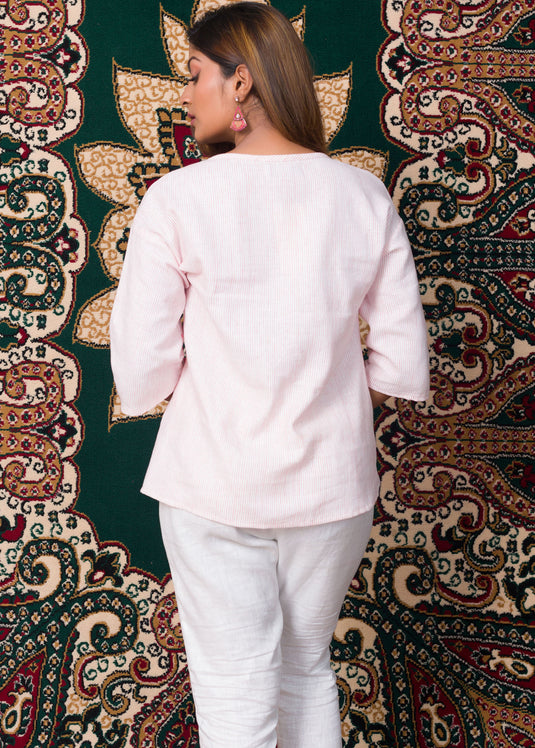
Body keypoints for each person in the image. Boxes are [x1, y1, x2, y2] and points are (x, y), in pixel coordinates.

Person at [110, 3, 429, 746]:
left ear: (241, 82)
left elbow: (143, 370)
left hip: (212, 482)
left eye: (194, 74)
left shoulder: (178, 199)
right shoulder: (362, 195)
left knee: (234, 686)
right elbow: (401, 359)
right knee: (304, 668)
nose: (183, 93)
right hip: (332, 486)